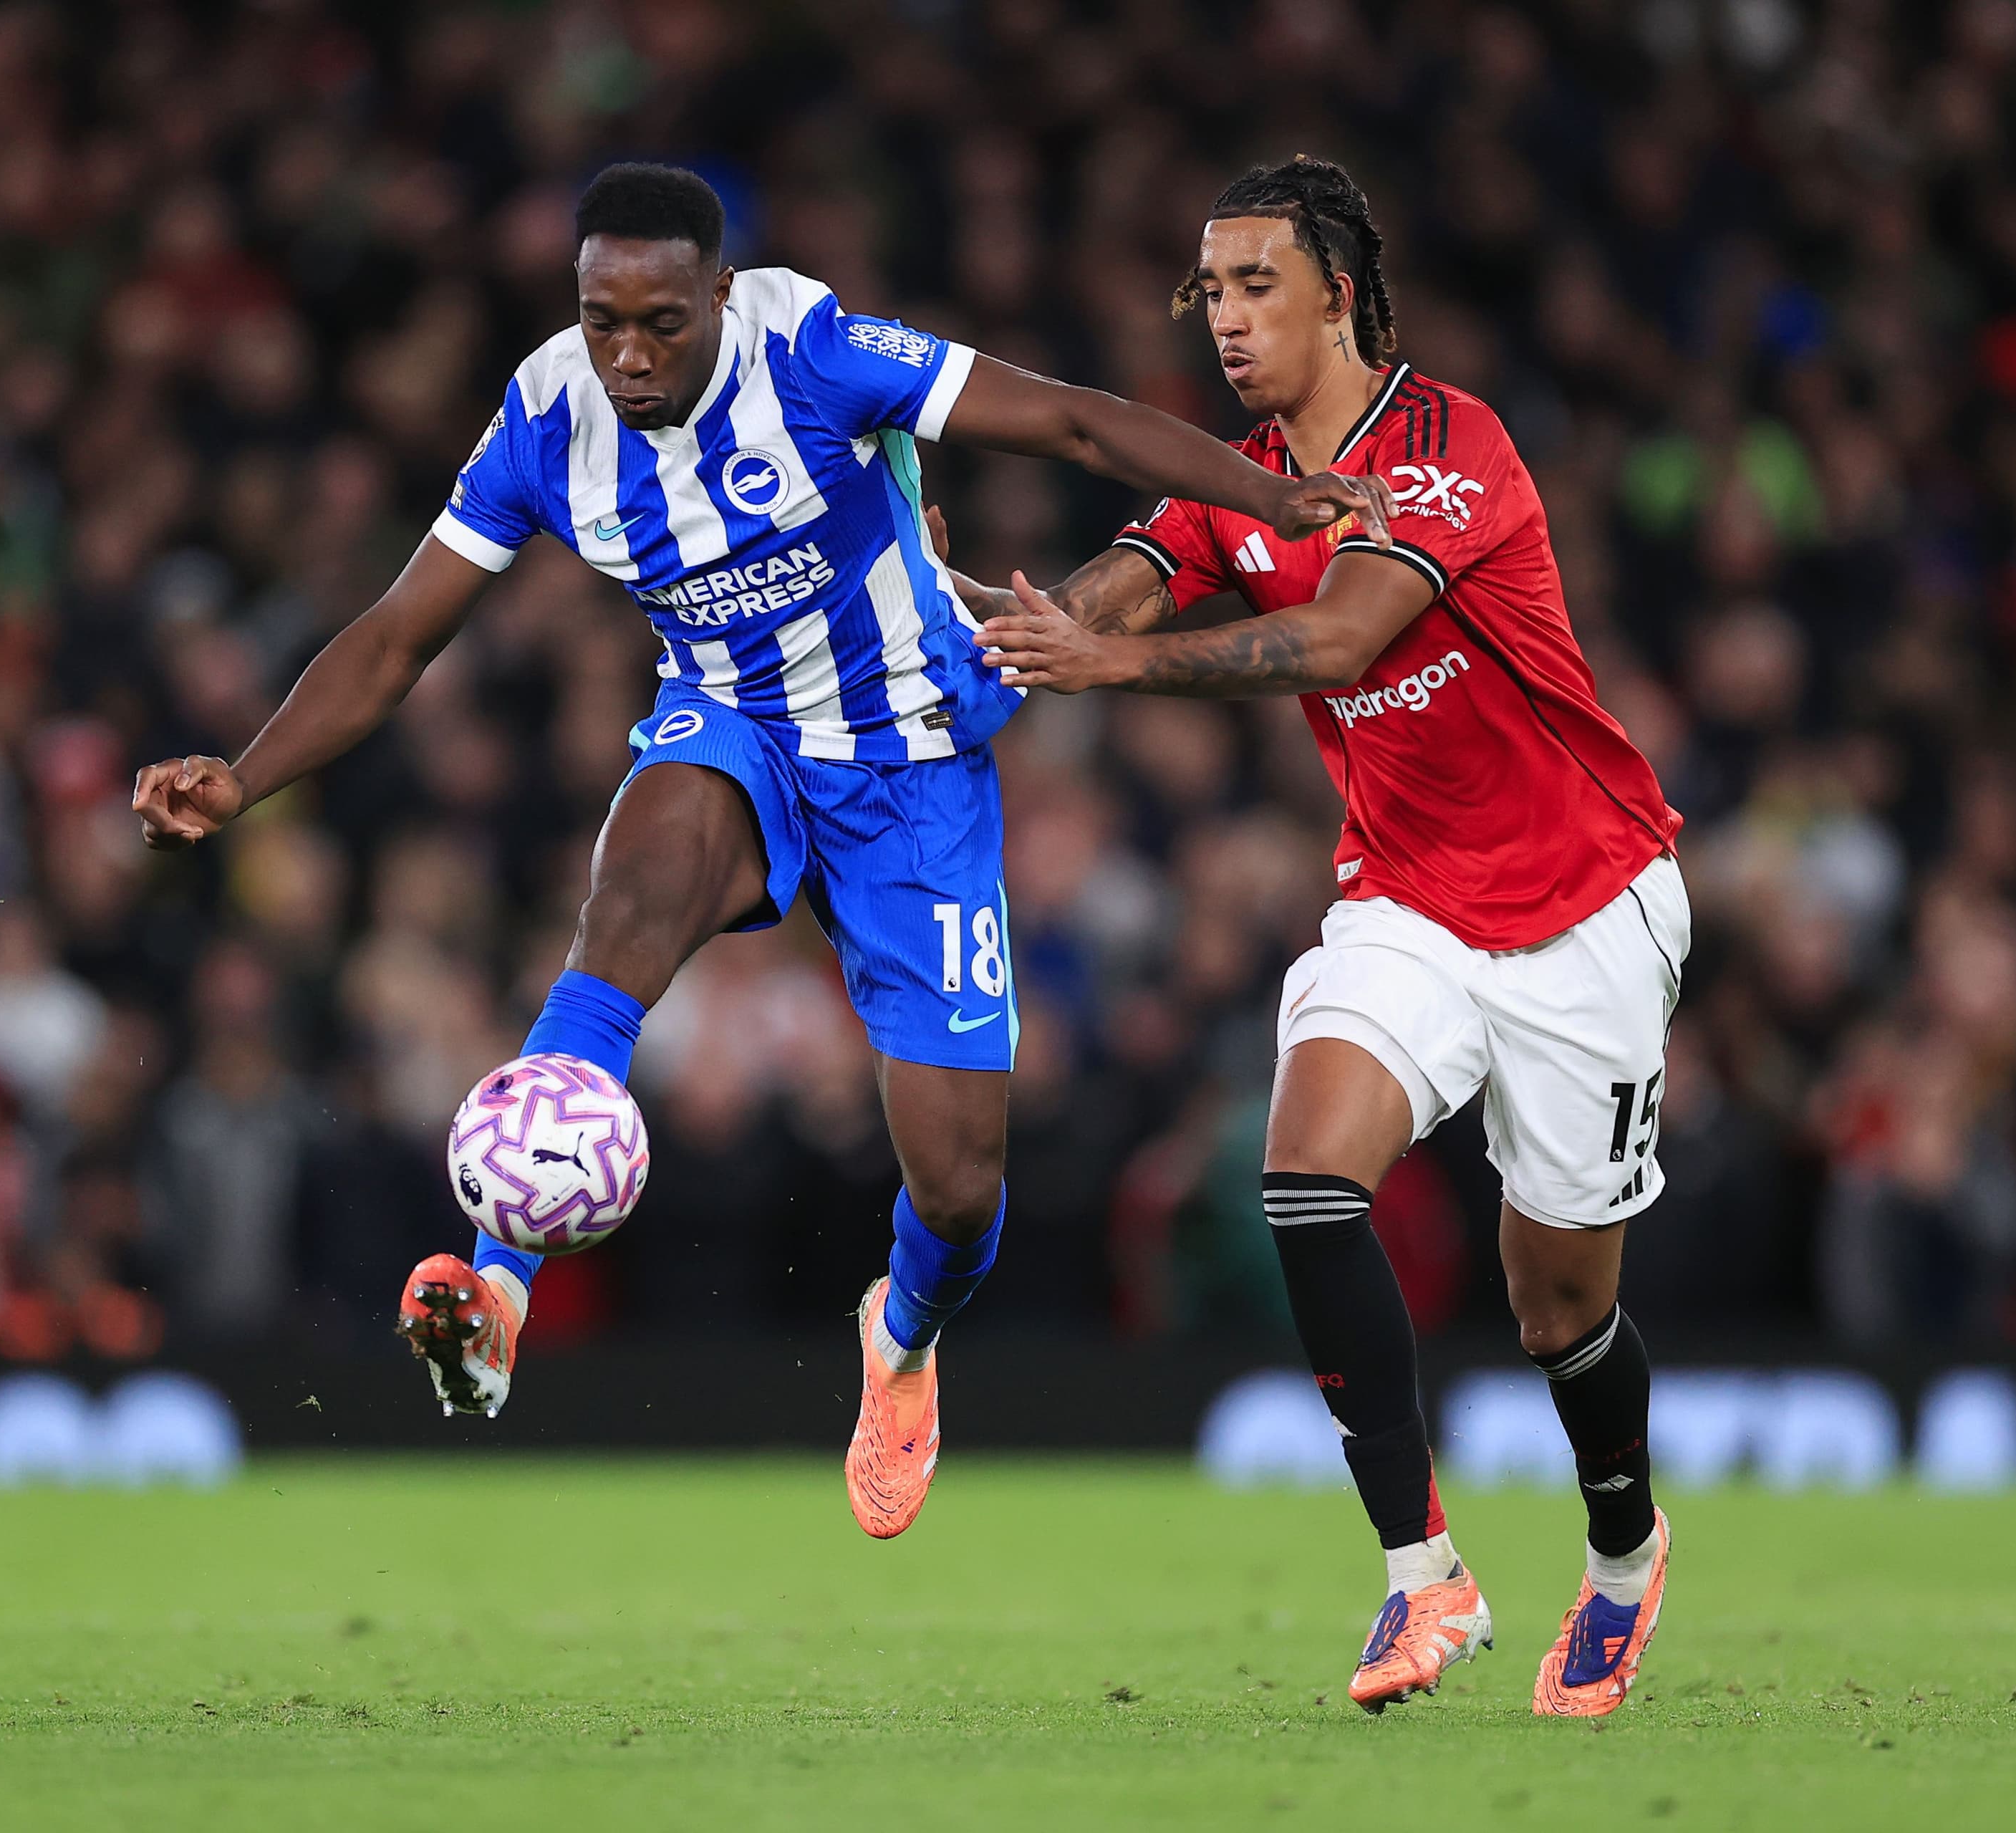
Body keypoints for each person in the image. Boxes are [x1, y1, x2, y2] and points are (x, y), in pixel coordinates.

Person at [130, 163, 1389, 1539]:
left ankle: (901, 1338)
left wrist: (1273, 499)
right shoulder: (547, 417)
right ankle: (500, 1290)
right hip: (733, 730)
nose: (627, 354)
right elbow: (395, 637)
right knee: (632, 897)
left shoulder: (814, 351)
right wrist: (245, 776)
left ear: (720, 297)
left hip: (911, 761)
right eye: (603, 320)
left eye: (661, 323)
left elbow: (1076, 424)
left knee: (960, 1186)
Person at [963, 156, 1686, 1713]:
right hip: (1406, 900)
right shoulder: (1236, 486)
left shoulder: (1450, 446)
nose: (1225, 319)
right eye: (1210, 292)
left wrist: (1111, 669)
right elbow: (1113, 593)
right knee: (1302, 1178)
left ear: (1340, 296)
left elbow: (1345, 634)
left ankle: (1626, 1553)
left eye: (1257, 285)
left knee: (1558, 1306)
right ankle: (1425, 1579)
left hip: (1586, 902)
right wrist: (993, 619)